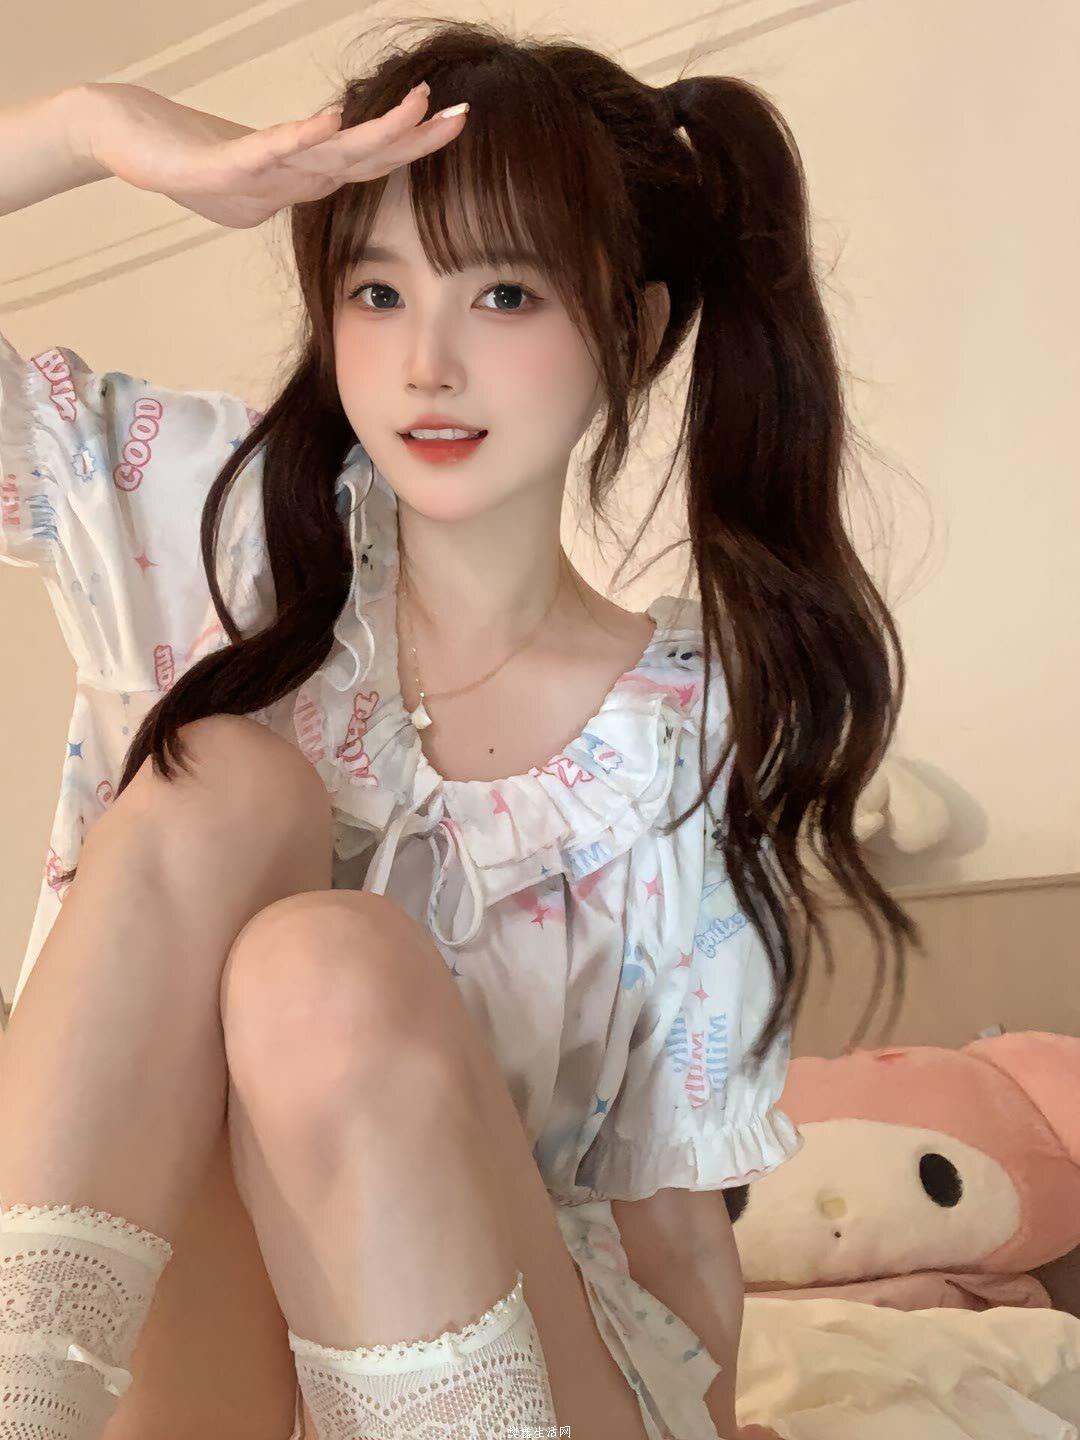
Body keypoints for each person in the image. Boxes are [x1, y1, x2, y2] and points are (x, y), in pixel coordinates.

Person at [0, 16, 919, 1440]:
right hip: (203, 1360)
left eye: (502, 293)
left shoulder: (688, 732)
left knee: (323, 967)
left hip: (522, 1361)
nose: (424, 362)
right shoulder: (210, 530)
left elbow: (676, 1227)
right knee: (226, 774)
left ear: (634, 331)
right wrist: (87, 128)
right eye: (376, 291)